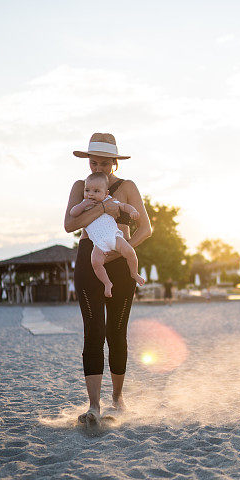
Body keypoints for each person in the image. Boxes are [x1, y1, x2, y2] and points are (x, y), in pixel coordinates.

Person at [64, 133, 152, 424]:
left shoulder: (127, 187)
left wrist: (121, 253)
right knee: (94, 330)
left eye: (104, 163)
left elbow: (145, 229)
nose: (98, 168)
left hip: (119, 259)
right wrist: (102, 207)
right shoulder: (82, 187)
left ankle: (117, 398)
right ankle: (93, 406)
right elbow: (70, 225)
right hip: (90, 258)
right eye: (93, 162)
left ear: (115, 162)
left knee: (116, 331)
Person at [70, 171, 145, 297]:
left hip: (114, 237)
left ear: (106, 194)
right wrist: (83, 204)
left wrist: (132, 211)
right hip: (98, 243)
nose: (91, 194)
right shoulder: (85, 206)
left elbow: (124, 206)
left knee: (130, 252)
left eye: (96, 191)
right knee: (96, 263)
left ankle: (134, 273)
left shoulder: (109, 201)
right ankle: (107, 283)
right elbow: (73, 213)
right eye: (87, 190)